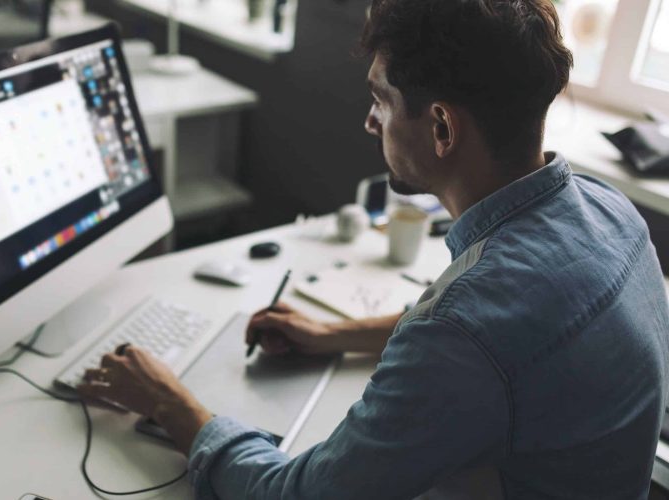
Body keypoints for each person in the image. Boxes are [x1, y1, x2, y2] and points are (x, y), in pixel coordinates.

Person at [78, 0, 669, 497]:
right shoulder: (610, 210)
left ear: (442, 128)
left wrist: (171, 404)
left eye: (381, 100)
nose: (370, 121)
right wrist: (335, 335)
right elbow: (501, 344)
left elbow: (294, 494)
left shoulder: (465, 331)